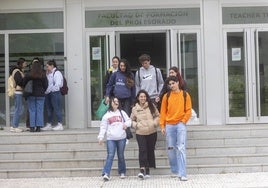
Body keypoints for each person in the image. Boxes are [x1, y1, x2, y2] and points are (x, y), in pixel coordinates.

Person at [159, 76, 192, 181]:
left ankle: (182, 174)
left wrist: (183, 121)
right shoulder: (166, 96)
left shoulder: (185, 95)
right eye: (170, 84)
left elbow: (188, 110)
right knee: (170, 149)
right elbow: (163, 112)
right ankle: (175, 170)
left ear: (178, 83)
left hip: (180, 124)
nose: (171, 85)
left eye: (173, 83)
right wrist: (162, 126)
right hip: (169, 125)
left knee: (181, 148)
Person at [97, 97, 131, 181]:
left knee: (121, 155)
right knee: (110, 155)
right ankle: (106, 173)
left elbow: (129, 121)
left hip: (121, 138)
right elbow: (103, 127)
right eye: (114, 101)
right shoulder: (107, 115)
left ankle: (122, 171)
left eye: (117, 101)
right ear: (111, 103)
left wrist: (126, 124)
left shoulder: (122, 113)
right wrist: (100, 137)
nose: (116, 103)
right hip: (111, 139)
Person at [130, 90, 159, 179]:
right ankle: (142, 169)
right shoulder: (134, 108)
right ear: (138, 98)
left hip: (152, 132)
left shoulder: (151, 106)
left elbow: (158, 116)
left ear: (146, 98)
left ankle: (148, 170)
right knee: (142, 150)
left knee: (150, 150)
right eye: (141, 97)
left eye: (144, 96)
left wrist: (154, 123)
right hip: (140, 132)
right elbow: (131, 120)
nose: (143, 98)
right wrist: (136, 125)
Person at [23, 61, 48, 132]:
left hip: (31, 95)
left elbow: (24, 83)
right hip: (40, 94)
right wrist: (43, 90)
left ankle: (32, 127)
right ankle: (39, 127)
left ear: (32, 67)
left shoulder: (28, 75)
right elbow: (46, 85)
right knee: (40, 110)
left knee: (32, 110)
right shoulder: (43, 74)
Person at [41, 60, 64, 131]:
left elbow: (58, 85)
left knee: (57, 108)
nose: (46, 68)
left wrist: (50, 90)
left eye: (47, 66)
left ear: (52, 66)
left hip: (55, 93)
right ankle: (49, 124)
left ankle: (60, 124)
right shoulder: (49, 73)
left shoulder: (57, 73)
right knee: (49, 109)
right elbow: (48, 84)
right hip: (49, 93)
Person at [10, 58, 27, 133]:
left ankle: (14, 126)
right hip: (18, 92)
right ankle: (14, 126)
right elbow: (19, 81)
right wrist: (26, 80)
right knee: (18, 110)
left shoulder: (19, 71)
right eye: (24, 63)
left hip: (19, 92)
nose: (26, 64)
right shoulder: (17, 71)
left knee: (18, 109)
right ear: (21, 63)